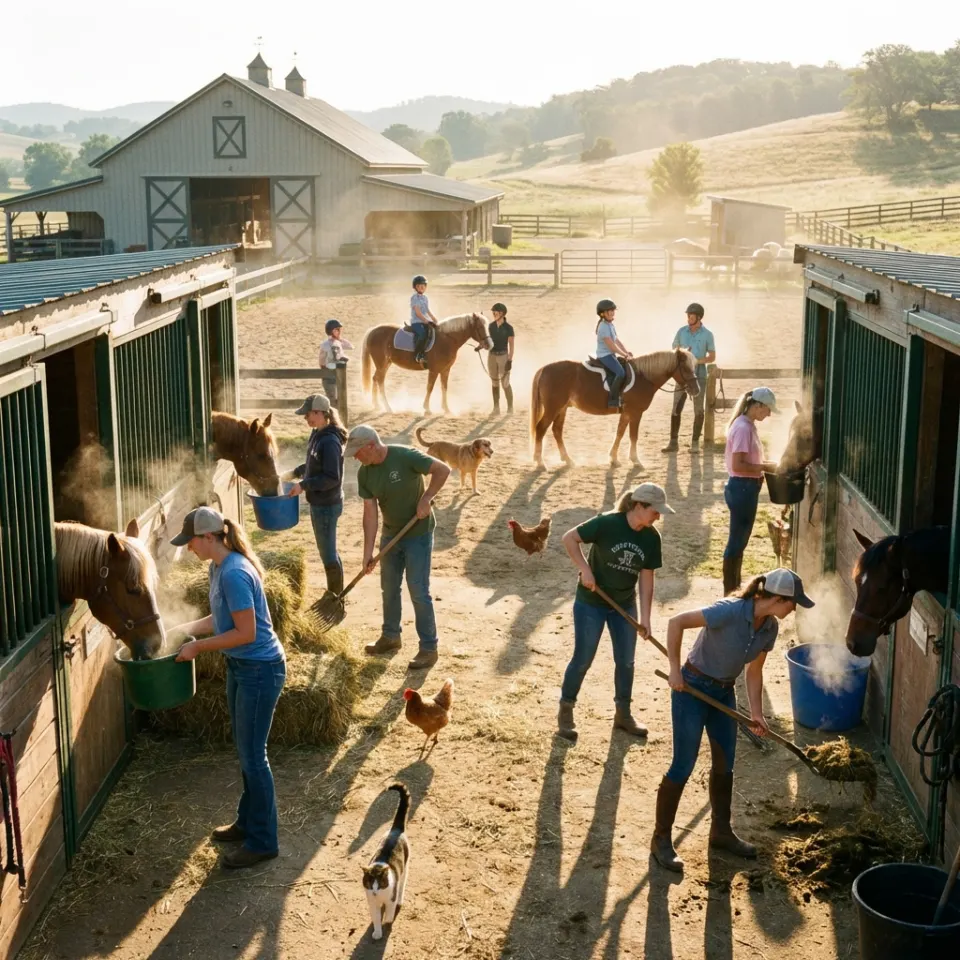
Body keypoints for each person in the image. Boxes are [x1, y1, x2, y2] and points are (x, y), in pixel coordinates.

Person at [650, 568, 814, 873]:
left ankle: (721, 832)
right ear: (778, 598)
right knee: (683, 764)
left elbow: (753, 672)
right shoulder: (729, 611)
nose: (794, 609)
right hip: (692, 689)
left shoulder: (769, 629)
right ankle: (661, 839)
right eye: (792, 603)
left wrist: (756, 713)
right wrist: (674, 669)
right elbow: (677, 622)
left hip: (723, 694)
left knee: (725, 765)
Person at [170, 507, 286, 870]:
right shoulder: (218, 567)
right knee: (246, 750)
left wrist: (196, 648)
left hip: (259, 669)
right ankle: (247, 822)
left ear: (208, 537)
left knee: (254, 756)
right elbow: (221, 620)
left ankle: (263, 841)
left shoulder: (235, 572)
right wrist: (182, 629)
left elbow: (246, 633)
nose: (188, 548)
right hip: (241, 667)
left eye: (190, 541)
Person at [558, 483, 673, 742]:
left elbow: (646, 579)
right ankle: (566, 709)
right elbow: (569, 538)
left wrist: (645, 619)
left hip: (624, 604)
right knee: (583, 658)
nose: (659, 516)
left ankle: (623, 714)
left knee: (626, 662)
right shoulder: (607, 523)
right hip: (592, 602)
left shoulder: (651, 538)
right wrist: (585, 570)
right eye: (656, 511)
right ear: (639, 506)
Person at [346, 424, 451, 669]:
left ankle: (428, 648)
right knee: (389, 587)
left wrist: (427, 497)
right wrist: (368, 553)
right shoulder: (365, 473)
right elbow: (370, 514)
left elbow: (442, 470)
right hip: (391, 535)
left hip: (418, 534)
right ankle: (391, 636)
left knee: (417, 589)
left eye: (358, 452)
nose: (355, 458)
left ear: (371, 446)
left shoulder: (405, 456)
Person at [287, 393, 347, 599]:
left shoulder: (330, 441)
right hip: (319, 503)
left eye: (309, 414)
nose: (306, 419)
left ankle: (335, 596)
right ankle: (336, 593)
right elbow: (313, 465)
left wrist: (303, 485)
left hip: (327, 505)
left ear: (322, 413)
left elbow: (332, 477)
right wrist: (294, 473)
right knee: (327, 550)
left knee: (328, 552)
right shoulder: (317, 434)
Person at [722, 386, 780, 595]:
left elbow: (748, 461)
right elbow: (738, 465)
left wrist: (766, 463)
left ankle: (733, 588)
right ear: (757, 406)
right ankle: (730, 591)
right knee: (737, 542)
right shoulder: (743, 428)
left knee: (740, 541)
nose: (769, 413)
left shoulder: (748, 425)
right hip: (742, 488)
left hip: (746, 487)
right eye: (767, 409)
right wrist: (765, 467)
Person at [662, 303, 716, 453]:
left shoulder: (707, 335)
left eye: (691, 316)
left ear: (698, 317)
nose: (688, 318)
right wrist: (682, 355)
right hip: (682, 378)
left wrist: (694, 360)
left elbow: (712, 357)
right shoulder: (681, 332)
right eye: (688, 315)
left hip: (699, 376)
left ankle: (695, 444)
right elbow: (674, 349)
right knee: (676, 408)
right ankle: (673, 442)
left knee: (698, 410)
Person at [595, 299, 633, 409]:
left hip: (610, 354)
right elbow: (611, 346)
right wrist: (624, 355)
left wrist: (626, 352)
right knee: (620, 373)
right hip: (604, 355)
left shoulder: (610, 325)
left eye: (612, 310)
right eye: (609, 311)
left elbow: (617, 341)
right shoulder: (603, 326)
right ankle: (613, 399)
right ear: (602, 314)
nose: (612, 312)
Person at [318, 319, 353, 406]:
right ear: (332, 331)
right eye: (337, 330)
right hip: (329, 374)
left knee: (339, 399)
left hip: (338, 374)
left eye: (339, 330)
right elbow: (322, 361)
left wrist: (340, 339)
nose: (340, 332)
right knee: (332, 400)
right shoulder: (325, 345)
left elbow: (351, 346)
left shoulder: (338, 343)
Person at [488, 302, 515, 415]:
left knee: (505, 383)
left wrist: (510, 360)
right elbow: (488, 340)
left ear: (502, 313)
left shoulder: (509, 328)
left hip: (503, 356)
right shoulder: (491, 326)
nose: (494, 314)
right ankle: (496, 408)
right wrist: (481, 346)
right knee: (494, 382)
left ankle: (510, 408)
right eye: (493, 312)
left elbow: (511, 345)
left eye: (496, 312)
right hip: (492, 356)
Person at [410, 275, 438, 366]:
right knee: (422, 333)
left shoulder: (425, 298)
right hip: (416, 322)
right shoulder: (414, 298)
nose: (421, 287)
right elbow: (418, 312)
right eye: (419, 286)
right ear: (415, 287)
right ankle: (418, 354)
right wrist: (426, 321)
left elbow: (427, 310)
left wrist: (433, 318)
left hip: (425, 320)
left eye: (423, 286)